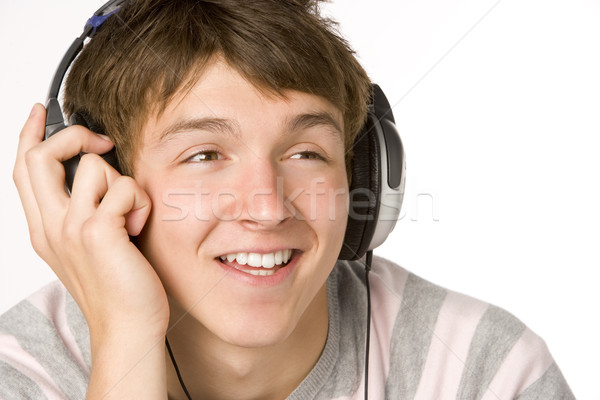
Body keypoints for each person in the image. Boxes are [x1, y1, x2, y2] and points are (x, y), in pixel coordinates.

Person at [1, 0, 574, 399]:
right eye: (205, 155)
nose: (269, 207)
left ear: (363, 175)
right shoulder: (20, 376)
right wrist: (126, 334)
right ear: (95, 183)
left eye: (305, 153)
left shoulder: (487, 372)